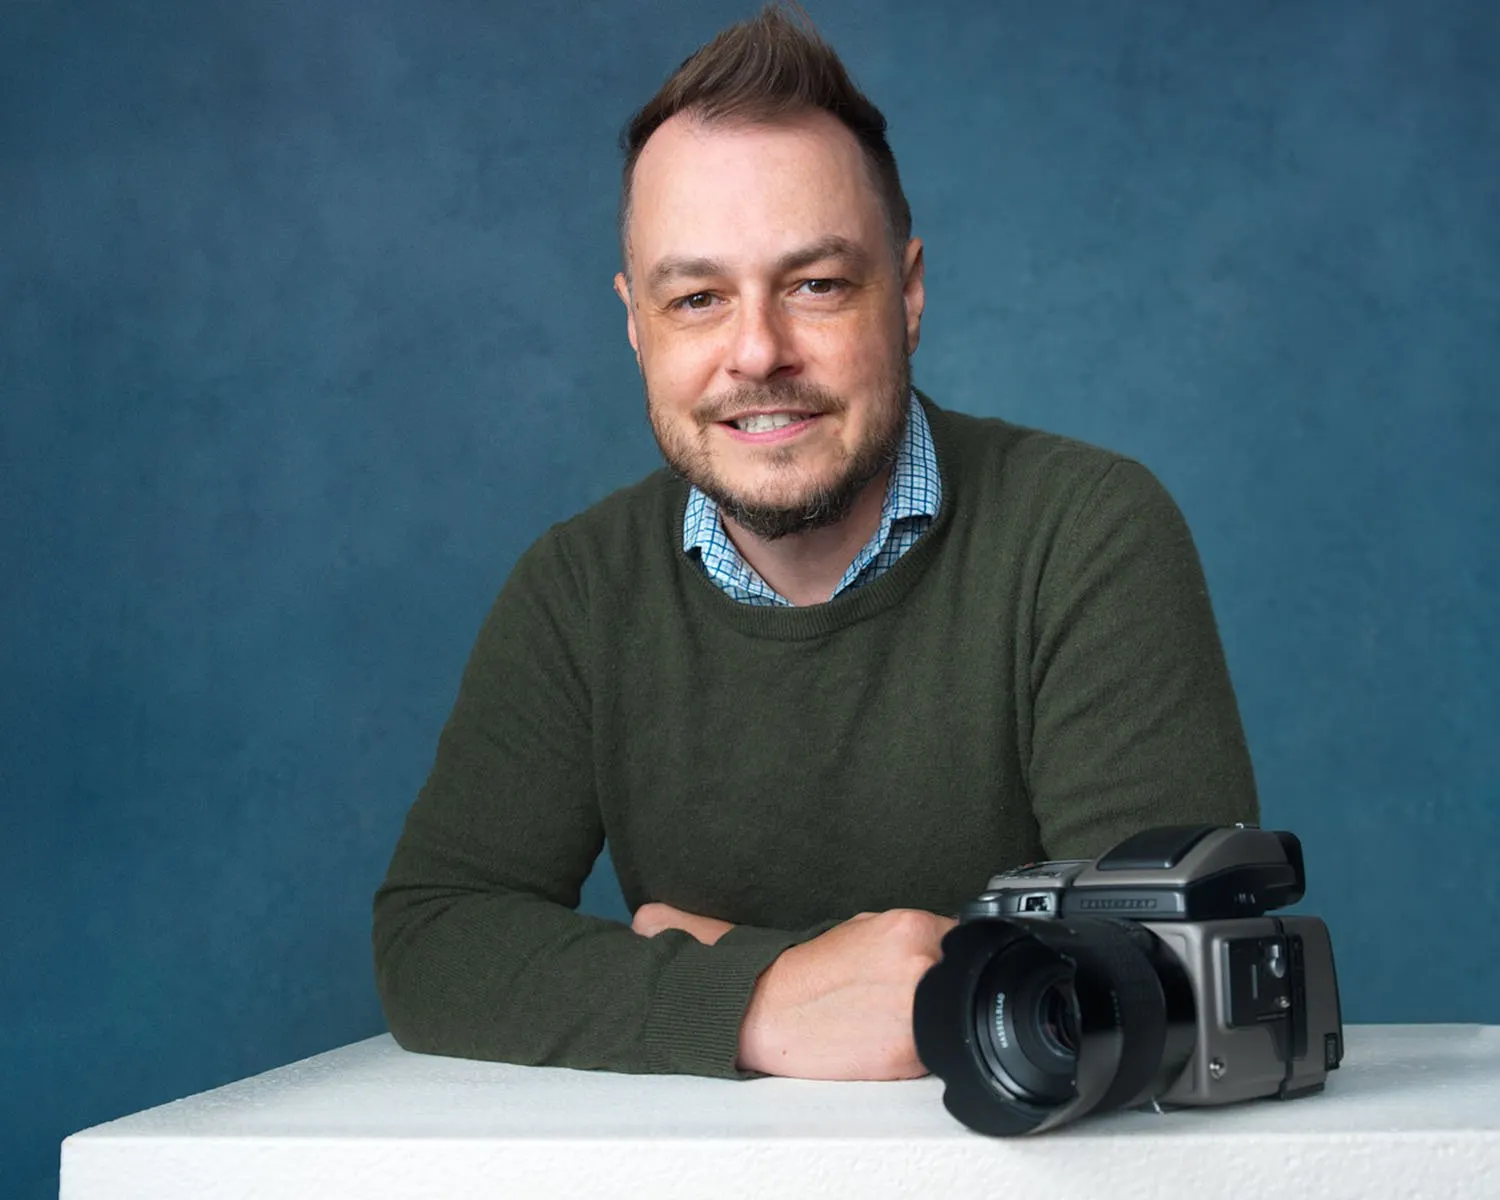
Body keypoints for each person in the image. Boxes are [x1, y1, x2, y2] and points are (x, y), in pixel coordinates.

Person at [372, 3, 1258, 1083]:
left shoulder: (1087, 533)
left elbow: (1161, 974)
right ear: (636, 326)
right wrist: (762, 1000)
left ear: (911, 293)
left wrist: (725, 963)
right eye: (697, 298)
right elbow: (435, 940)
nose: (758, 352)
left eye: (817, 285)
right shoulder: (577, 590)